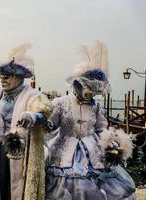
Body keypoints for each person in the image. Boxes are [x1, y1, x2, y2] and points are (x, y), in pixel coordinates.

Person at [45, 41, 136, 200]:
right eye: (89, 89)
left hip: (93, 151)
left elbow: (101, 129)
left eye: (94, 91)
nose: (91, 94)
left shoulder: (96, 108)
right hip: (65, 151)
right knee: (72, 187)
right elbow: (49, 125)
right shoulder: (61, 103)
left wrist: (111, 142)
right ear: (77, 84)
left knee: (99, 186)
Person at [0, 43, 52, 200]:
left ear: (19, 76)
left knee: (19, 182)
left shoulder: (33, 96)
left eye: (7, 75)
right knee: (0, 180)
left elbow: (44, 114)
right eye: (1, 75)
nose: (2, 79)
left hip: (22, 151)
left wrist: (32, 117)